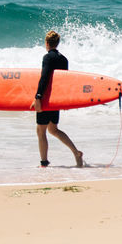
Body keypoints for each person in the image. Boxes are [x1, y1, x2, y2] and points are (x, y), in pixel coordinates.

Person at [29, 30, 84, 168]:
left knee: (41, 131)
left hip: (46, 99)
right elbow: (64, 81)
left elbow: (45, 77)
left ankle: (44, 163)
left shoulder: (48, 58)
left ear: (47, 43)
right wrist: (64, 100)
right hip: (56, 99)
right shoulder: (64, 59)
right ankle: (76, 152)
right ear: (57, 43)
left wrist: (38, 97)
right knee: (53, 129)